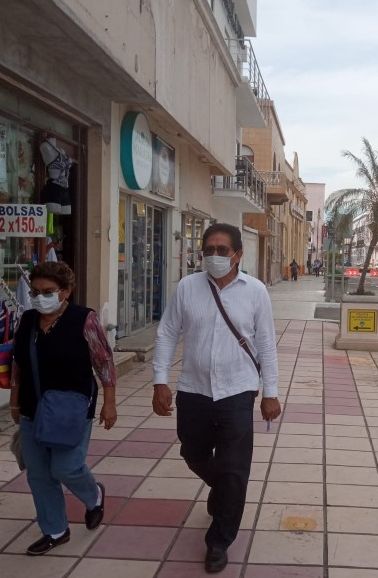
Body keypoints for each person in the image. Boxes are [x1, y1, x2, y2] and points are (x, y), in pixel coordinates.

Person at [152, 223, 280, 574]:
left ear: (238, 254)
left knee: (234, 468)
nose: (214, 256)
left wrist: (271, 392)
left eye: (222, 250)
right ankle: (224, 490)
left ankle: (219, 540)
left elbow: (267, 344)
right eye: (208, 249)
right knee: (192, 453)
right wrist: (160, 381)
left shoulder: (255, 292)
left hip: (238, 390)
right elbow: (166, 334)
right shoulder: (187, 288)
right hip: (193, 389)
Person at [9, 261, 117, 555]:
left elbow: (104, 362)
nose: (40, 297)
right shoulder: (28, 319)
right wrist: (15, 400)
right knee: (38, 473)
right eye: (35, 291)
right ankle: (55, 530)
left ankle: (93, 496)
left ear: (66, 291)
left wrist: (109, 404)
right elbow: (18, 362)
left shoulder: (84, 319)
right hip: (33, 407)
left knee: (66, 466)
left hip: (72, 408)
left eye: (48, 291)